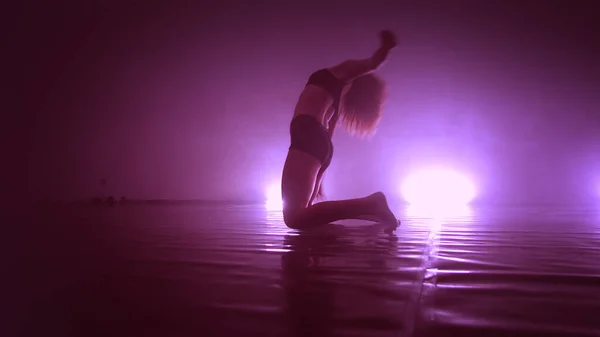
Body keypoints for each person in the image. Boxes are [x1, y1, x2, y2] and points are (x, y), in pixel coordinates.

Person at [281, 30, 400, 230]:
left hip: (307, 134)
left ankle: (372, 204)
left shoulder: (337, 74)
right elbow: (327, 137)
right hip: (317, 143)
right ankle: (372, 213)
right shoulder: (336, 100)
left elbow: (372, 63)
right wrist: (319, 178)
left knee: (294, 217)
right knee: (306, 214)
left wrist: (386, 47)